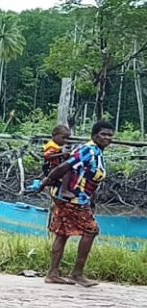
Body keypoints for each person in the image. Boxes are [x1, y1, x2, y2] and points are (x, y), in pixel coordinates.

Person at [41, 119, 115, 287]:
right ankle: (77, 273)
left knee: (62, 232)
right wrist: (44, 182)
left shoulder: (96, 151)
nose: (107, 138)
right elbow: (63, 168)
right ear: (94, 135)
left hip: (70, 197)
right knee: (91, 229)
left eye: (110, 135)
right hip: (73, 198)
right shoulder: (88, 150)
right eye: (103, 134)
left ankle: (53, 273)